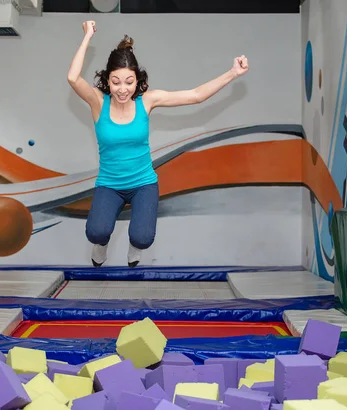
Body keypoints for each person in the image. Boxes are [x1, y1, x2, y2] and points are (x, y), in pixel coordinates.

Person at [67, 20, 249, 268]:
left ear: (137, 80)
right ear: (107, 81)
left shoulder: (147, 101)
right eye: (116, 81)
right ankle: (102, 244)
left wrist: (233, 73)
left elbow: (195, 96)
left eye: (129, 82)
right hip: (109, 184)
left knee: (143, 238)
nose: (123, 89)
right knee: (96, 232)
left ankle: (135, 246)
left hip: (143, 183)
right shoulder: (98, 102)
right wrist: (88, 35)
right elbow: (73, 77)